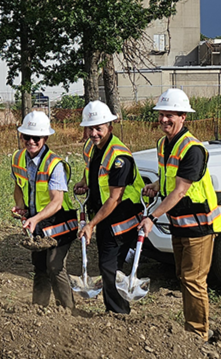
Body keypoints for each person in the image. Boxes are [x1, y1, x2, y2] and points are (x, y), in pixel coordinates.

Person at [138, 88, 221, 340]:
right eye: (162, 115)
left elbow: (180, 191)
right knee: (183, 277)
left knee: (194, 280)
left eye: (170, 115)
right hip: (179, 223)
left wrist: (151, 218)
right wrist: (155, 186)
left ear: (183, 116)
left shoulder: (192, 150)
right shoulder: (164, 144)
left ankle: (198, 334)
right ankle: (192, 327)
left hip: (199, 225)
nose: (164, 119)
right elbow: (169, 180)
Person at [73, 101, 145, 314]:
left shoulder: (119, 158)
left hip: (121, 218)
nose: (94, 133)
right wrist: (84, 182)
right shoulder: (91, 147)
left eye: (99, 128)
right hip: (105, 216)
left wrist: (91, 225)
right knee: (109, 265)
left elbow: (114, 198)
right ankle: (116, 309)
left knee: (109, 266)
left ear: (110, 128)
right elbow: (93, 171)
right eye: (90, 128)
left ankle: (118, 313)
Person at [11, 110, 77, 310]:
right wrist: (21, 207)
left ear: (45, 138)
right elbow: (18, 187)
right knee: (40, 268)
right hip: (37, 223)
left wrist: (36, 218)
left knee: (55, 267)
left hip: (59, 223)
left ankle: (67, 310)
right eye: (27, 137)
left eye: (36, 137)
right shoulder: (17, 158)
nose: (31, 141)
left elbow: (57, 202)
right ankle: (38, 310)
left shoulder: (54, 164)